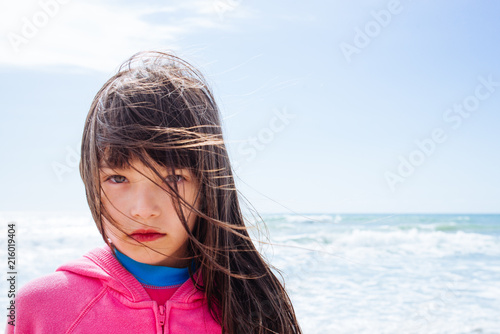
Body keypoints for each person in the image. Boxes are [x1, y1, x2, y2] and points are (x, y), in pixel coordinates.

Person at [6, 51, 302, 334]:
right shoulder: (40, 308)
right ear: (91, 183)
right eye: (118, 177)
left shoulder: (255, 307)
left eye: (173, 178)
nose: (143, 209)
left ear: (208, 185)